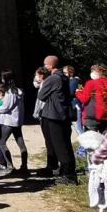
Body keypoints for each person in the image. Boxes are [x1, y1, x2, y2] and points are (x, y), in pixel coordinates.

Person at [38, 55, 78, 184]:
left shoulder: (53, 78)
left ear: (50, 66)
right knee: (60, 143)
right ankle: (57, 168)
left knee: (60, 145)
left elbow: (41, 95)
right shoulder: (64, 77)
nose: (44, 67)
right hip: (60, 113)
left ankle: (69, 175)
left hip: (54, 115)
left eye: (45, 65)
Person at [0, 70, 28, 176]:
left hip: (9, 121)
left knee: (0, 142)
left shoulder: (10, 92)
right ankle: (24, 167)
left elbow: (6, 107)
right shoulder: (19, 91)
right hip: (17, 121)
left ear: (5, 79)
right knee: (21, 144)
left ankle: (10, 166)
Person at [77, 64, 107, 132]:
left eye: (93, 71)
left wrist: (78, 92)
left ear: (98, 72)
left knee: (91, 138)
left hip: (92, 116)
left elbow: (84, 99)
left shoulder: (90, 83)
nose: (91, 73)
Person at [65, 64, 83, 134]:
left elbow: (71, 92)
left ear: (71, 72)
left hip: (74, 104)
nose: (64, 74)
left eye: (65, 72)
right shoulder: (78, 80)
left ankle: (83, 139)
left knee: (78, 125)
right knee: (78, 124)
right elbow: (81, 89)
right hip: (77, 103)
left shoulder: (74, 80)